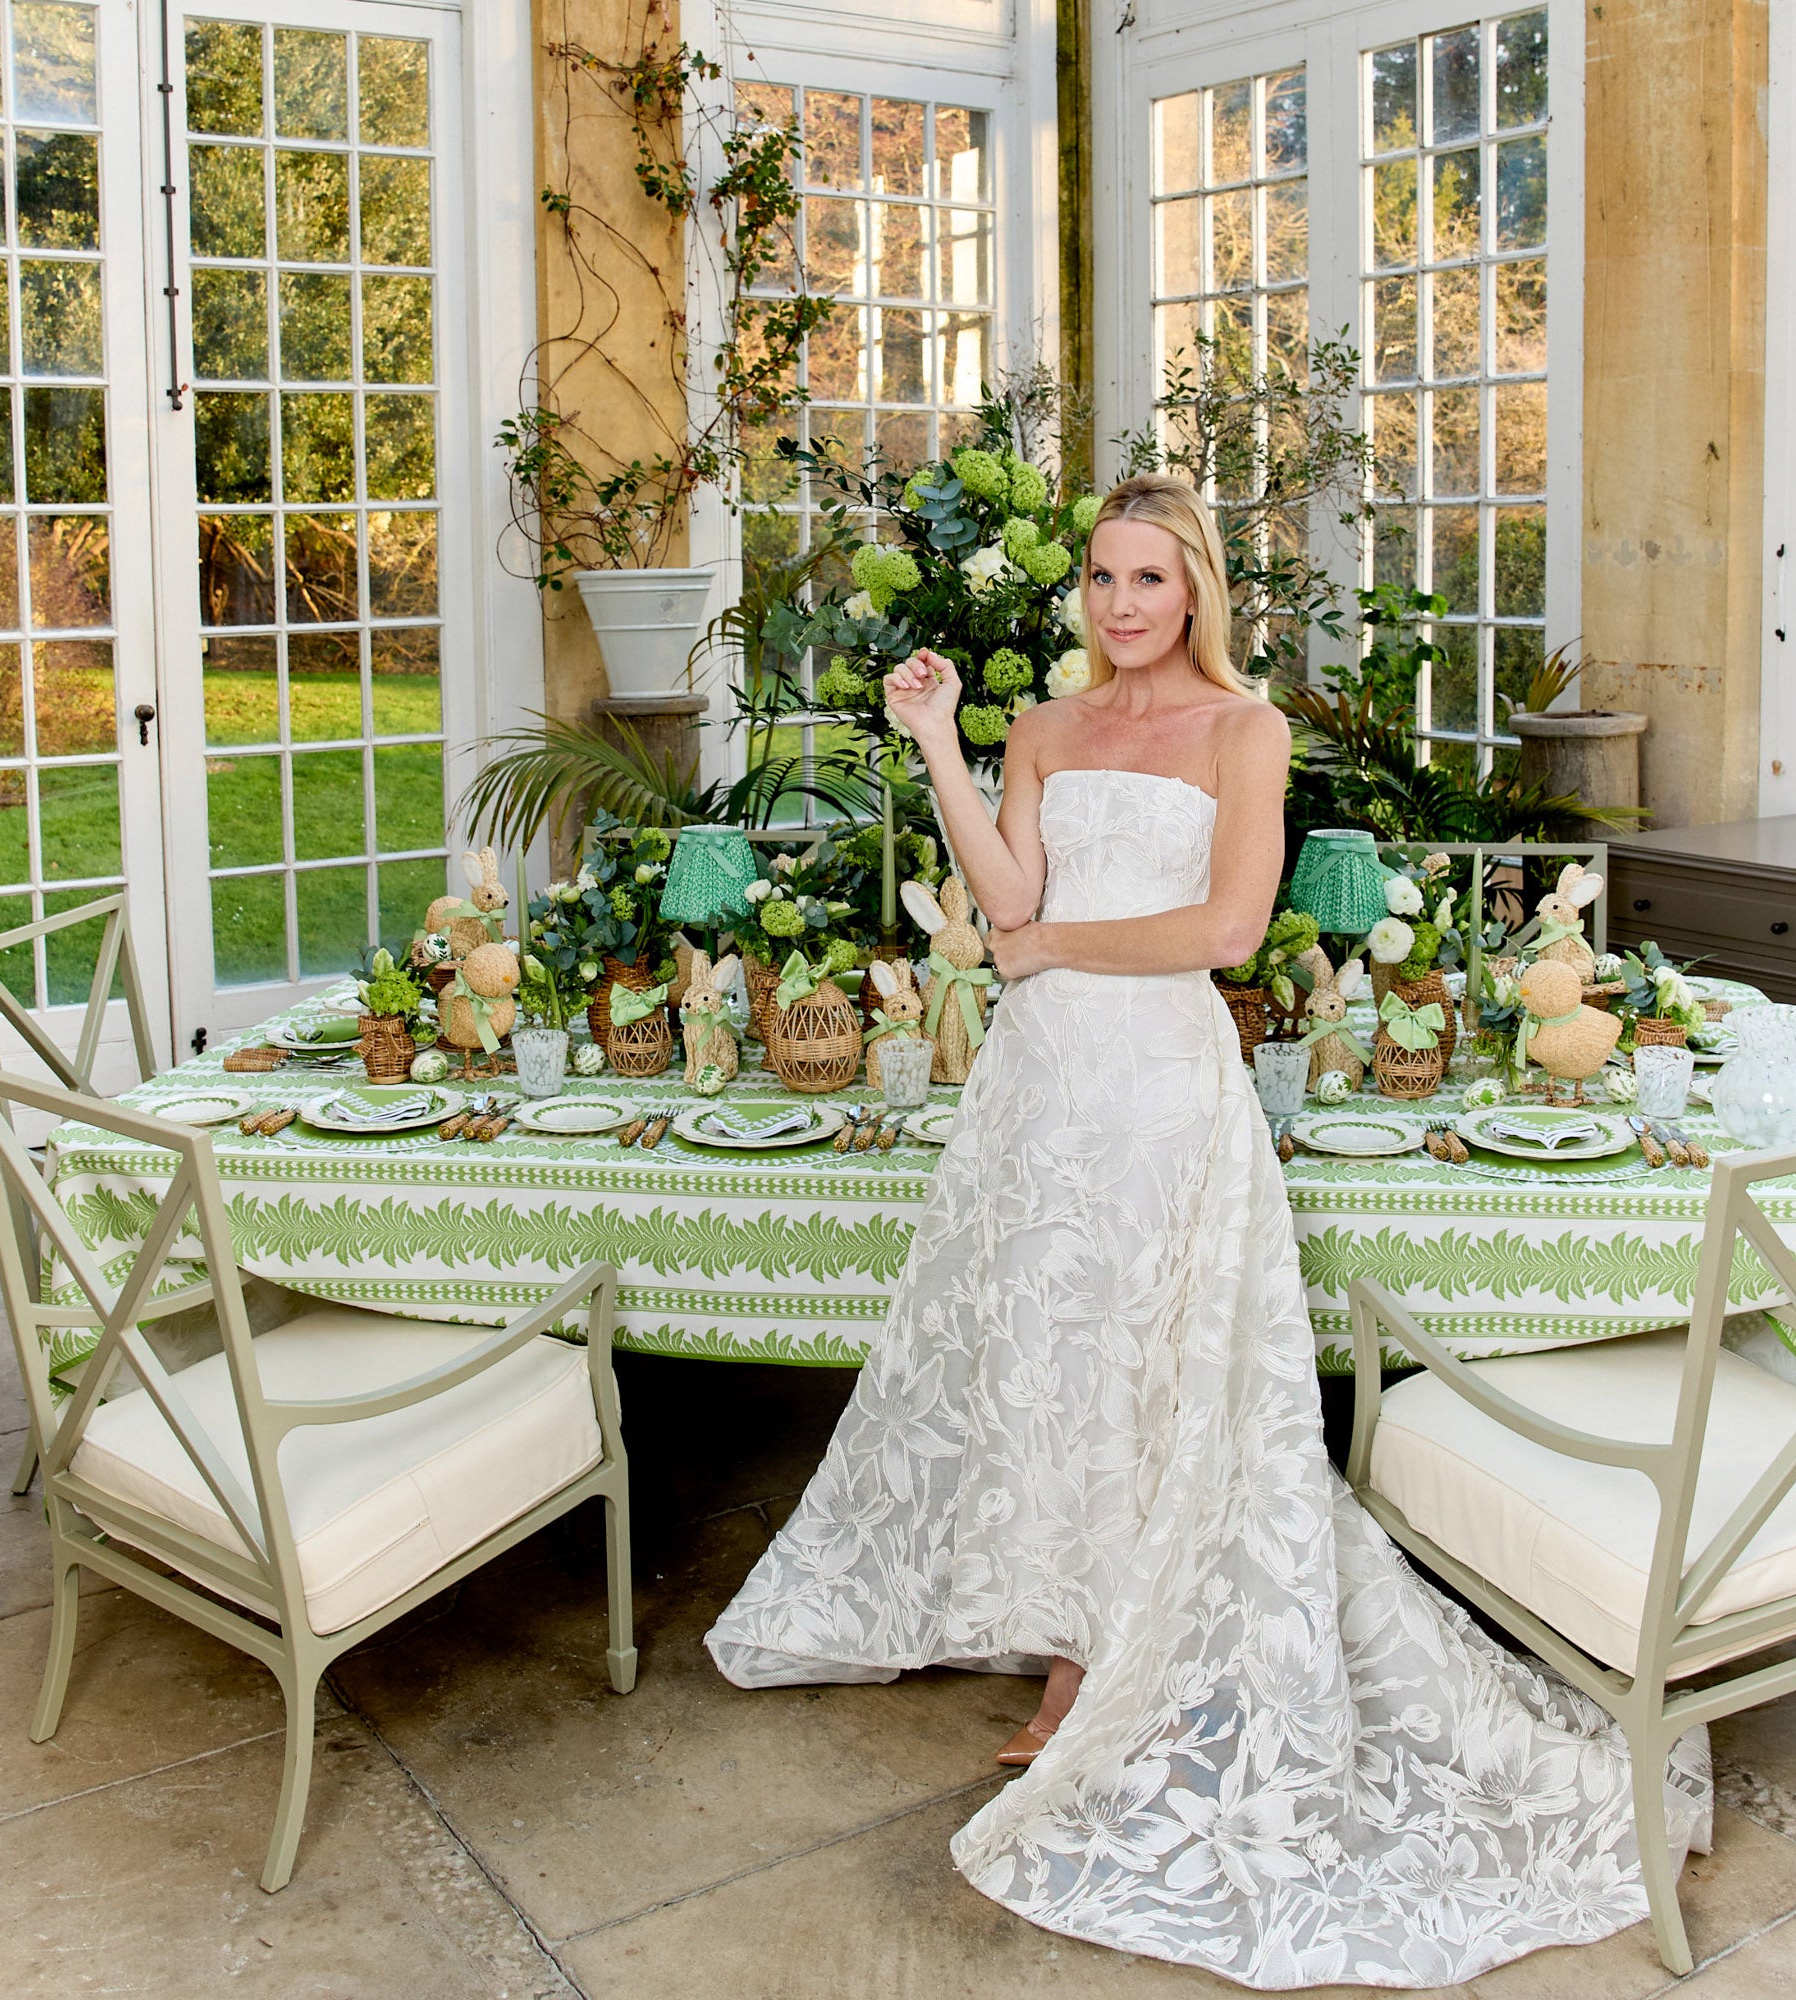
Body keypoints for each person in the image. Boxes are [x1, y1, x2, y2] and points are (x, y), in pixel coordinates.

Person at [707, 473, 1708, 1988]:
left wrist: (1044, 950)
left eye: (1147, 582)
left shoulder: (1248, 732)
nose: (1119, 606)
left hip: (1167, 1093)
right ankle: (1074, 1644)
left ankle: (1112, 1664)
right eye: (1101, 580)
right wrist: (936, 751)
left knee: (1157, 1373)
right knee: (1052, 1366)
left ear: (1196, 594)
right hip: (1042, 1101)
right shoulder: (1044, 728)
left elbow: (1228, 931)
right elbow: (1002, 892)